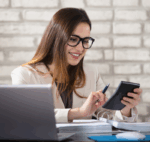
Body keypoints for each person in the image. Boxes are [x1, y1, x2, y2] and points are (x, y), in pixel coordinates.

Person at [11, 8, 142, 123]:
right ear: (56, 39)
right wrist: (79, 112)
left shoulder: (91, 73)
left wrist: (125, 110)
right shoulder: (24, 75)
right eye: (73, 39)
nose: (80, 48)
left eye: (85, 41)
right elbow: (25, 118)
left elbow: (107, 117)